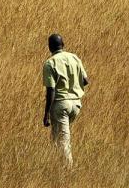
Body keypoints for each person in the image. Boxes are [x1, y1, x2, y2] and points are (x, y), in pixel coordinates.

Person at [42, 33, 88, 168]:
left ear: (49, 47)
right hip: (76, 104)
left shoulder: (50, 63)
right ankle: (57, 168)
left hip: (61, 105)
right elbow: (85, 81)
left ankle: (68, 171)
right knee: (56, 138)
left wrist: (46, 114)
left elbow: (51, 90)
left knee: (62, 141)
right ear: (63, 44)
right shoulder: (74, 58)